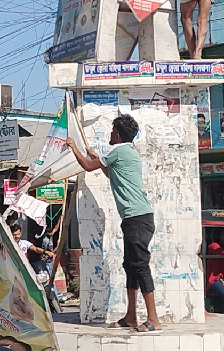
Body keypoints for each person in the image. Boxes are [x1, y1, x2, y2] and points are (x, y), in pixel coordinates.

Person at [66, 113, 161, 332]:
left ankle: (154, 319)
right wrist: (96, 158)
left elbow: (88, 167)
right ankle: (130, 316)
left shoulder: (117, 150)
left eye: (111, 132)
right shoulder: (129, 152)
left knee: (140, 266)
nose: (110, 135)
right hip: (136, 218)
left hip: (136, 219)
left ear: (117, 134)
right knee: (130, 267)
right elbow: (111, 174)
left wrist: (74, 148)